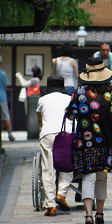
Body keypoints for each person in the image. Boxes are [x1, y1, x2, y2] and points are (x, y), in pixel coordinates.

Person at [64, 56, 112, 224]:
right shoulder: (111, 94)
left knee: (88, 177)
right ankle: (100, 213)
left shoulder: (79, 94)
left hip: (85, 142)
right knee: (102, 178)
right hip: (107, 142)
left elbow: (70, 115)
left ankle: (88, 215)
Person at [36, 75, 74, 216]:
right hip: (66, 132)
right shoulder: (69, 99)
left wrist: (42, 129)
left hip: (48, 134)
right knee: (67, 163)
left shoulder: (42, 99)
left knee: (48, 169)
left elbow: (40, 121)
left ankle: (51, 205)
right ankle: (61, 193)